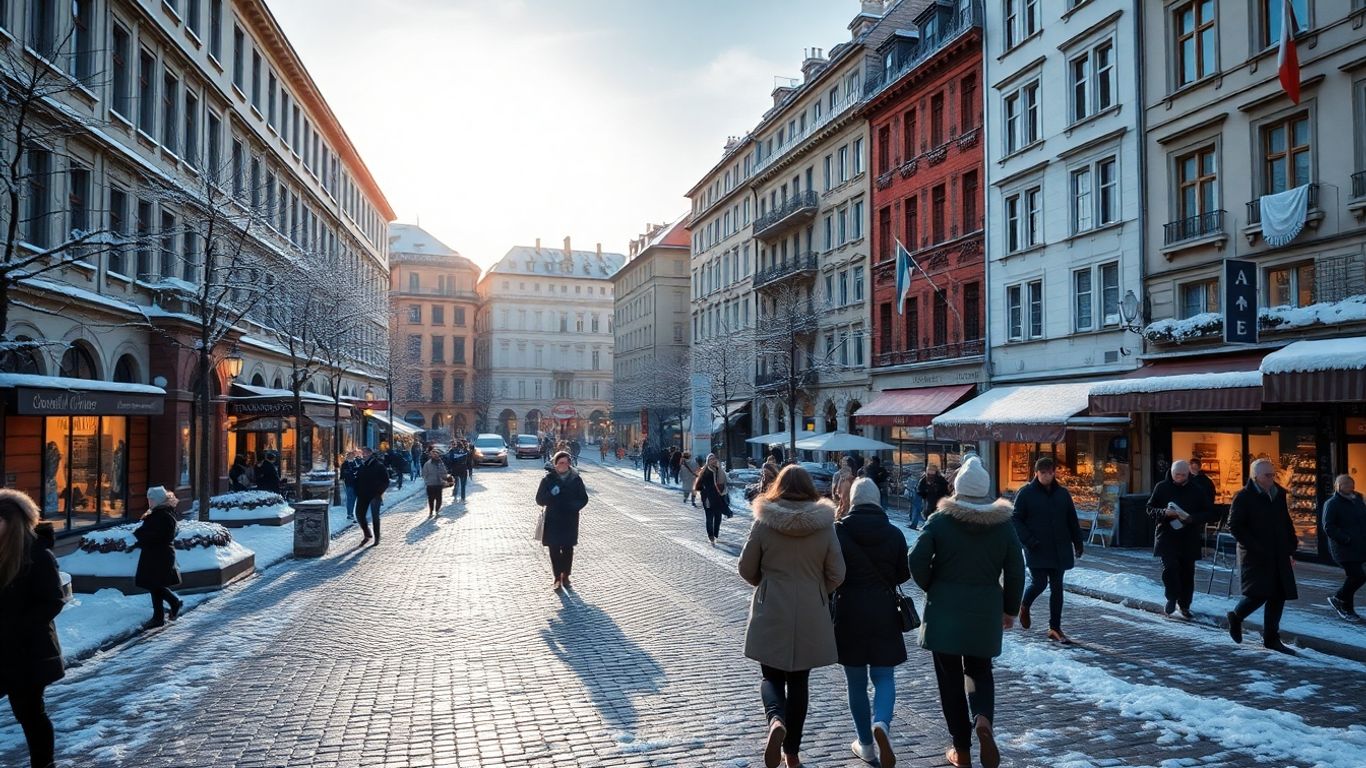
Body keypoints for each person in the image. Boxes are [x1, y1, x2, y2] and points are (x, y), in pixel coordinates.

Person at [909, 456, 1024, 768]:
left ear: (957, 488)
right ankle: (983, 719)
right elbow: (1016, 571)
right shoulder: (1002, 526)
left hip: (945, 611)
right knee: (979, 671)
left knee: (949, 682)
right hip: (984, 612)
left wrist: (931, 585)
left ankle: (961, 749)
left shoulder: (940, 520)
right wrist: (1010, 608)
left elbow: (916, 559)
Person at [739, 465, 845, 768]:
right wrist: (815, 589)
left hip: (772, 606)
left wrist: (768, 583)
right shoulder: (825, 524)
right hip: (811, 608)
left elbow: (747, 568)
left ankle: (775, 720)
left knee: (770, 675)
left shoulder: (764, 520)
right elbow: (838, 572)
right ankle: (793, 752)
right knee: (800, 682)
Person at [833, 478, 909, 768]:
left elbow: (832, 572)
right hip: (884, 612)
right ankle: (883, 724)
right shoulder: (894, 533)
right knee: (884, 677)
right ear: (877, 500)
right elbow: (904, 574)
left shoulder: (838, 532)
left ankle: (865, 744)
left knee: (855, 682)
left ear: (852, 500)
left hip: (849, 612)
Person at [0, 489, 65, 768]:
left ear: (11, 522)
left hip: (27, 652)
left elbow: (52, 601)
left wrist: (16, 626)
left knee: (29, 713)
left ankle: (44, 763)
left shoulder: (37, 554)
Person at [1227, 459, 1300, 654]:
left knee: (1278, 595)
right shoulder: (1243, 497)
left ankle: (1271, 638)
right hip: (1256, 555)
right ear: (1255, 476)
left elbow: (1285, 521)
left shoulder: (1278, 494)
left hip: (1279, 553)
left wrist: (1292, 546)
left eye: (1273, 474)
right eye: (1267, 475)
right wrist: (1254, 546)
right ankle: (1236, 616)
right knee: (1258, 594)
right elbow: (1234, 526)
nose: (1271, 478)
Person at [1012, 456, 1083, 644]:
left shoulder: (1063, 494)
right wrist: (1028, 540)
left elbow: (1071, 520)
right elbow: (1016, 519)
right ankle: (1025, 605)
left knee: (1057, 588)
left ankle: (1055, 627)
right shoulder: (1026, 493)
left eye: (1050, 472)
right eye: (1042, 473)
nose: (1046, 476)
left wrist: (1078, 542)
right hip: (1036, 547)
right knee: (1039, 583)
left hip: (1059, 547)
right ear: (1036, 473)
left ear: (1054, 473)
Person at [1146, 460, 1212, 618]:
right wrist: (1163, 513)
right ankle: (1172, 597)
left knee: (1187, 573)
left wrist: (1191, 518)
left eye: (1183, 475)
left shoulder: (1197, 490)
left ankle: (1184, 605)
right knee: (1170, 568)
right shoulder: (1161, 487)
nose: (1180, 478)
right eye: (1177, 475)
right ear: (1172, 473)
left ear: (1188, 473)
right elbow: (1149, 508)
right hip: (1167, 535)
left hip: (1188, 537)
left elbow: (1209, 512)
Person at [537, 451, 589, 590]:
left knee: (567, 548)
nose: (563, 466)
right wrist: (551, 494)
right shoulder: (548, 480)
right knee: (554, 549)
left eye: (566, 463)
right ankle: (557, 577)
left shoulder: (575, 479)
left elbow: (583, 498)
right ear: (555, 464)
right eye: (560, 463)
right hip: (553, 519)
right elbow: (539, 499)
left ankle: (565, 575)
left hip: (569, 519)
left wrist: (574, 507)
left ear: (569, 464)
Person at [136, 486, 184, 629]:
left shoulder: (163, 515)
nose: (149, 502)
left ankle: (167, 608)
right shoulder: (159, 513)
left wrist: (142, 535)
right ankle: (160, 615)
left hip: (159, 555)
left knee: (154, 584)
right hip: (155, 554)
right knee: (154, 585)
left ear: (157, 500)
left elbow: (163, 535)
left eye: (151, 499)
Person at [1323, 474, 1366, 622]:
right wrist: (1345, 538)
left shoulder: (1358, 500)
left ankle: (1347, 609)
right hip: (1343, 549)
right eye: (1345, 484)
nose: (1349, 486)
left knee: (1354, 577)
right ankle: (1338, 599)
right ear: (1338, 486)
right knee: (1357, 576)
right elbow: (1328, 527)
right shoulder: (1332, 503)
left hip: (1360, 547)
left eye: (1351, 483)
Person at [354, 447, 390, 546]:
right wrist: (357, 490)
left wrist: (378, 492)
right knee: (359, 515)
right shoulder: (362, 466)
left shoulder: (379, 465)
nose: (363, 455)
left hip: (375, 495)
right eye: (362, 453)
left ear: (370, 454)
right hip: (362, 495)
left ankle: (377, 537)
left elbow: (386, 481)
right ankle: (367, 533)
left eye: (365, 453)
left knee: (375, 516)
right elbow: (358, 480)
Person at [697, 453, 731, 545]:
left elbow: (726, 481)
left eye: (714, 458)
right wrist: (705, 493)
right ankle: (711, 536)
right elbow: (698, 485)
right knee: (709, 518)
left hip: (718, 498)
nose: (713, 460)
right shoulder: (704, 471)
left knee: (718, 518)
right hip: (709, 499)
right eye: (711, 459)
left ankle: (715, 534)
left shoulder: (719, 470)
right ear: (708, 461)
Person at [916, 465, 950, 530]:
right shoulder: (924, 479)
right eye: (929, 470)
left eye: (932, 470)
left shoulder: (940, 479)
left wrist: (937, 489)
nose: (931, 472)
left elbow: (945, 490)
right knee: (928, 515)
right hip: (928, 501)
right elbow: (920, 489)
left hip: (938, 501)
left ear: (935, 471)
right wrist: (925, 492)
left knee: (936, 517)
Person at [422, 448, 449, 518]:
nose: (435, 455)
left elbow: (444, 471)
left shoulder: (440, 463)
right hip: (431, 484)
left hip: (438, 484)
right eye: (433, 454)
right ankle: (431, 511)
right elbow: (424, 473)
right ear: (431, 455)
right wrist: (427, 480)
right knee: (431, 499)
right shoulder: (428, 464)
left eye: (436, 454)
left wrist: (443, 477)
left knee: (438, 499)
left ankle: (436, 511)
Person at [339, 450, 361, 520]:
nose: (351, 456)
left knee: (357, 499)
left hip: (358, 484)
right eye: (349, 455)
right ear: (347, 456)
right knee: (350, 499)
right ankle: (350, 513)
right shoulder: (344, 464)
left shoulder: (357, 462)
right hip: (349, 483)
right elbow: (342, 475)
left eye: (352, 455)